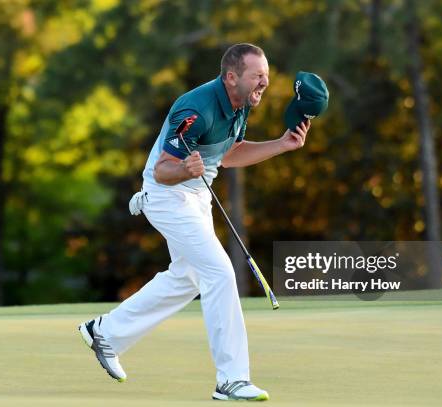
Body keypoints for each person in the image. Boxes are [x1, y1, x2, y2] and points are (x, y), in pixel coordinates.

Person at [78, 43, 311, 401]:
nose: (265, 82)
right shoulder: (195, 108)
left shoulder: (239, 104)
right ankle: (231, 379)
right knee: (219, 271)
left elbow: (228, 154)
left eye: (266, 74)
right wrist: (185, 168)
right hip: (166, 195)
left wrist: (281, 144)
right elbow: (162, 169)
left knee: (188, 276)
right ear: (232, 77)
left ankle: (106, 333)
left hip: (196, 195)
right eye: (257, 76)